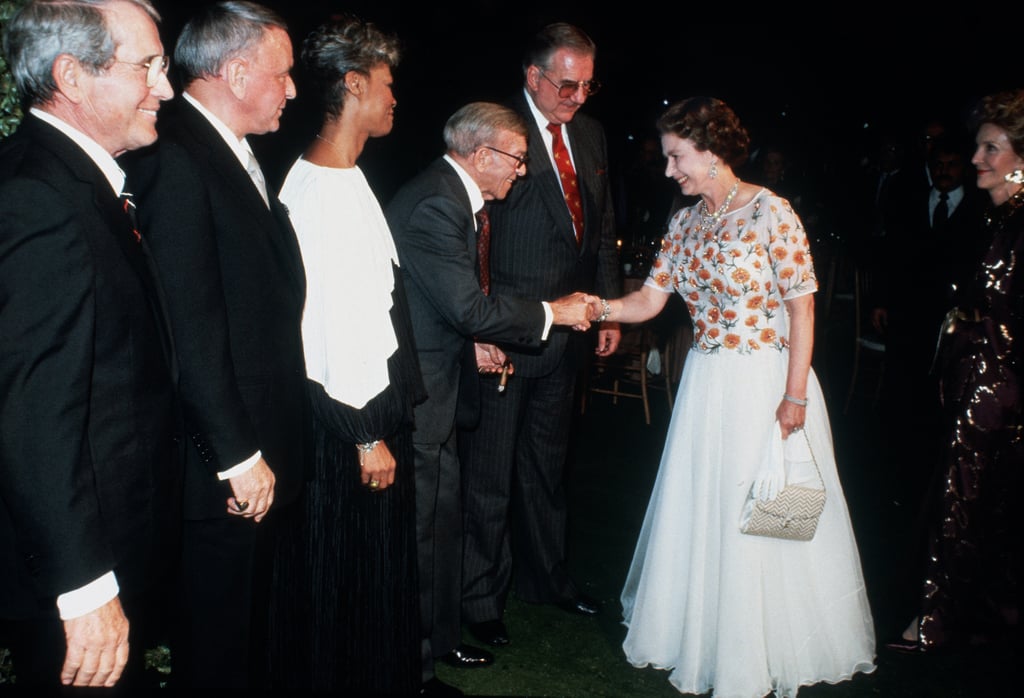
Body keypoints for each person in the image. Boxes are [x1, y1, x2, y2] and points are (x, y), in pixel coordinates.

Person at [607, 96, 876, 697]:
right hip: (706, 384)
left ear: (711, 150)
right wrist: (595, 307)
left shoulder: (771, 212)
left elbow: (802, 308)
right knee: (709, 506)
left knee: (768, 512)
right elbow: (650, 301)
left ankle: (766, 643)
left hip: (766, 383)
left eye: (677, 157)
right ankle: (704, 633)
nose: (669, 169)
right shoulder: (683, 222)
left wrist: (796, 396)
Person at [120, 2, 308, 689]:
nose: (292, 89)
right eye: (283, 74)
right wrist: (236, 454)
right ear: (234, 71)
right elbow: (188, 325)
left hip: (251, 462)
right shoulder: (175, 160)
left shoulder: (231, 151)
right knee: (215, 655)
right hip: (222, 472)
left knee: (240, 646)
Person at [0, 0, 179, 690]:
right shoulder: (38, 202)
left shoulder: (62, 181)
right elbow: (34, 413)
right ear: (72, 76)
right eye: (147, 67)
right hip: (75, 573)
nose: (163, 89)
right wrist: (84, 589)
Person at [385, 101, 594, 684]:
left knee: (443, 517)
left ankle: (441, 639)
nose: (522, 172)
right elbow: (466, 304)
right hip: (424, 392)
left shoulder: (454, 198)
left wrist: (469, 344)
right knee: (427, 525)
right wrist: (554, 312)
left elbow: (434, 302)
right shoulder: (436, 204)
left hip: (444, 376)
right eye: (517, 160)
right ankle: (417, 665)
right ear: (482, 156)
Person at [270, 16, 427, 696]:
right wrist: (366, 435)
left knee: (365, 587)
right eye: (387, 85)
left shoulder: (344, 177)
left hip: (363, 425)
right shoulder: (320, 193)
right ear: (354, 84)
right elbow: (321, 329)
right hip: (348, 433)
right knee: (344, 586)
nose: (395, 99)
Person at [458, 22, 622, 649]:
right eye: (567, 84)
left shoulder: (591, 133)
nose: (578, 96)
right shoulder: (499, 135)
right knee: (490, 472)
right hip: (511, 330)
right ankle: (479, 598)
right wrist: (478, 324)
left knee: (546, 468)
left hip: (572, 334)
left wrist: (603, 310)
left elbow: (601, 226)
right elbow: (472, 232)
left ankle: (546, 579)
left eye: (587, 85)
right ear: (533, 77)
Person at [889, 88, 1024, 654]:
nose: (975, 160)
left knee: (961, 499)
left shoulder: (1016, 225)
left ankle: (937, 622)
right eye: (977, 148)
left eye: (990, 149)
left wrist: (966, 327)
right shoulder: (1002, 219)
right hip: (992, 384)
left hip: (995, 388)